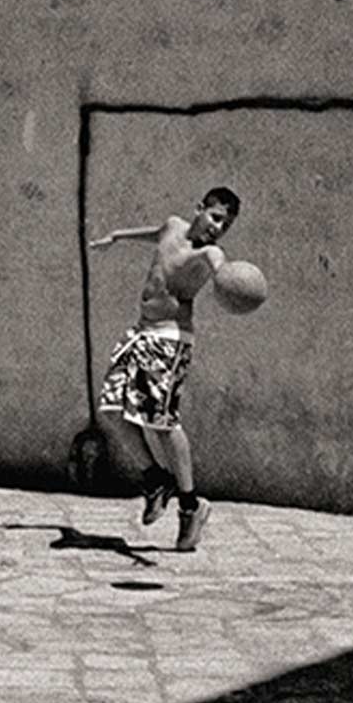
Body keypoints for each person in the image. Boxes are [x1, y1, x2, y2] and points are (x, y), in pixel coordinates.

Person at [88, 186, 241, 551]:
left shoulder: (210, 252)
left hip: (170, 338)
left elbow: (222, 268)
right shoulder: (173, 226)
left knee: (161, 422)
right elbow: (155, 233)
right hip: (141, 332)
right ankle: (156, 480)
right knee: (111, 411)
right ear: (199, 208)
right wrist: (118, 237)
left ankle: (190, 505)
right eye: (216, 217)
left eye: (227, 224)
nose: (219, 228)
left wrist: (230, 280)